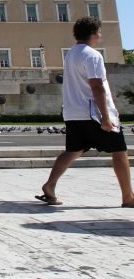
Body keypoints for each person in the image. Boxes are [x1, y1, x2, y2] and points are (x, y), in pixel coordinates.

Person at [35, 16, 134, 207]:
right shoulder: (92, 55)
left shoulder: (70, 54)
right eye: (99, 31)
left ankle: (50, 185)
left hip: (73, 113)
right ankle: (128, 197)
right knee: (119, 151)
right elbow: (96, 86)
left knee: (73, 150)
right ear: (94, 33)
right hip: (93, 114)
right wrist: (106, 117)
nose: (100, 35)